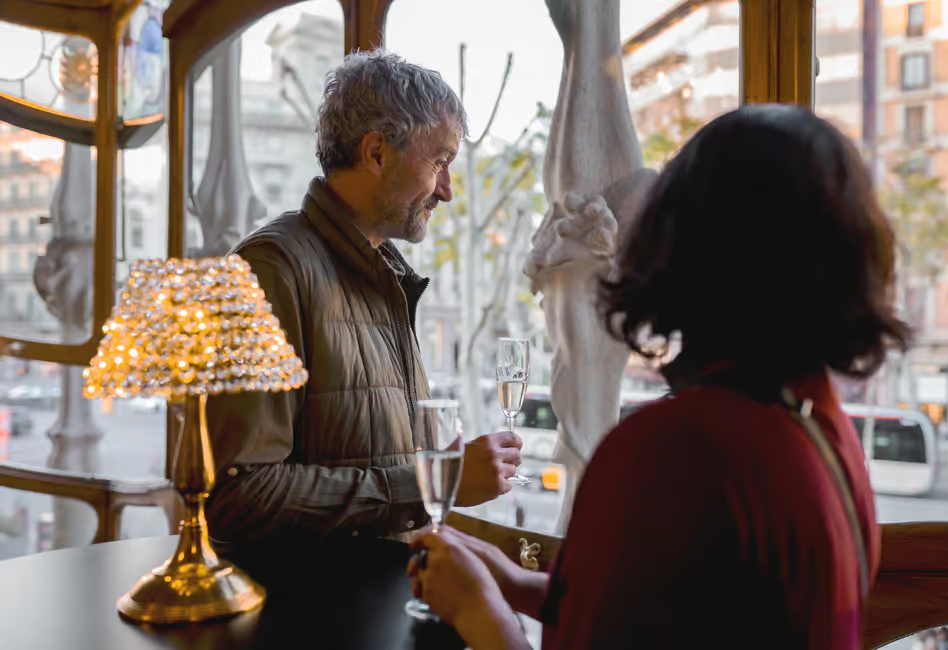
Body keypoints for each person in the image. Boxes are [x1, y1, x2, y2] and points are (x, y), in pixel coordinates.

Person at [409, 105, 911, 649]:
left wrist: (477, 607)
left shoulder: (674, 450)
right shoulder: (827, 437)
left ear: (680, 245)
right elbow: (699, 610)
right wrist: (514, 583)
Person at [203, 49, 522, 552]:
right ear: (376, 153)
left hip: (378, 603)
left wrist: (436, 470)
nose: (448, 190)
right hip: (313, 620)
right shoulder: (269, 271)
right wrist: (433, 484)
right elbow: (239, 498)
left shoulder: (386, 274)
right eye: (439, 161)